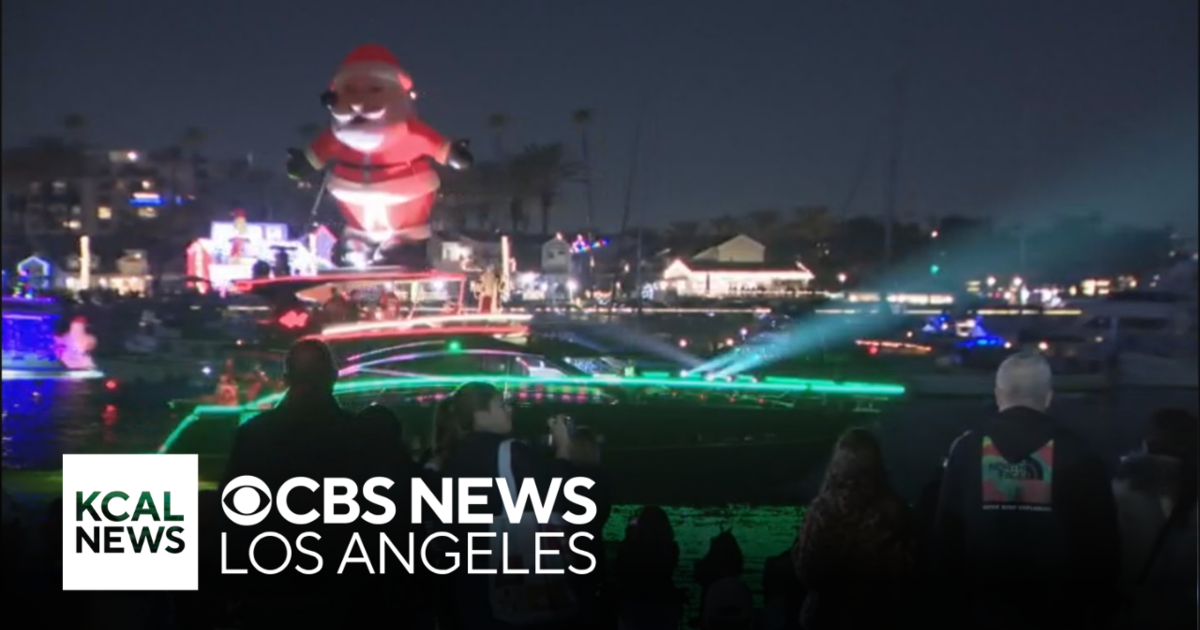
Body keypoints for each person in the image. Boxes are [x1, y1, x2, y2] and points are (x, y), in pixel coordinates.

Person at [216, 339, 422, 626]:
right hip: (345, 595)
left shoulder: (254, 434)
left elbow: (234, 516)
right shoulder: (361, 436)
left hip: (270, 594)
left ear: (286, 379)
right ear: (334, 376)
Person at [934, 351, 1121, 629]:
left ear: (998, 395)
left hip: (980, 611)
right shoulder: (1080, 453)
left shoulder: (967, 450)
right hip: (1057, 613)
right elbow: (1103, 548)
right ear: (1048, 396)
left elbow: (945, 539)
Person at [430, 382, 599, 630]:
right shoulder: (510, 453)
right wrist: (563, 450)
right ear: (480, 414)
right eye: (501, 405)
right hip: (514, 588)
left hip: (469, 591)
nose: (510, 410)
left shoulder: (447, 460)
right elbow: (558, 499)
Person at [792, 428, 915, 630]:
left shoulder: (823, 510)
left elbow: (808, 571)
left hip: (827, 618)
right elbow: (907, 571)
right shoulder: (895, 511)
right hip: (880, 618)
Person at [1112, 408, 1198, 629]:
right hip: (1184, 613)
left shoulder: (1121, 492)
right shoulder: (1192, 497)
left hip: (1132, 612)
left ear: (1149, 441)